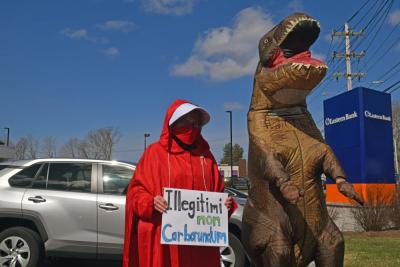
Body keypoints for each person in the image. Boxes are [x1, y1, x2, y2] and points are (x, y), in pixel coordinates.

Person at [123, 99, 237, 267]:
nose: (192, 126)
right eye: (187, 121)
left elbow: (218, 195)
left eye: (197, 122)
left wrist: (225, 205)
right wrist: (151, 202)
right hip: (164, 243)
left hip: (200, 246)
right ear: (173, 123)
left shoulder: (206, 157)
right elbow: (136, 194)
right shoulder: (154, 154)